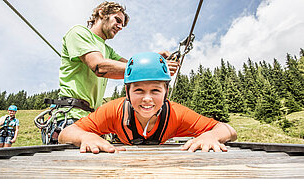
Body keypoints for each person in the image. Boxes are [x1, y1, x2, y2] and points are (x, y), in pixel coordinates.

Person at [58, 52, 237, 153]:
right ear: (127, 92)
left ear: (166, 92)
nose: (147, 99)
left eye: (156, 90)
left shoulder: (176, 113)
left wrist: (211, 136)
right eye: (138, 90)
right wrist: (86, 136)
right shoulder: (114, 110)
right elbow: (65, 134)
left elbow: (229, 130)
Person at [52, 1, 178, 129]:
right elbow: (99, 66)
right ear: (102, 13)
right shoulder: (79, 33)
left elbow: (132, 67)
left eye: (122, 24)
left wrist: (155, 59)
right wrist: (154, 67)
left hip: (91, 119)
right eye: (117, 20)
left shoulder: (108, 51)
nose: (120, 27)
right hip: (71, 116)